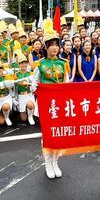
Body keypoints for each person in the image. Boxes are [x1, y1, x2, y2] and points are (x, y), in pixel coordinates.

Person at [31, 18, 69, 179]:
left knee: (58, 133)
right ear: (46, 47)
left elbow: (66, 82)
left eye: (56, 44)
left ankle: (55, 161)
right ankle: (47, 162)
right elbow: (34, 83)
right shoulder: (39, 64)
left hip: (59, 103)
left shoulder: (63, 63)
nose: (54, 47)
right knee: (47, 134)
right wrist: (37, 90)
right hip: (46, 103)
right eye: (51, 44)